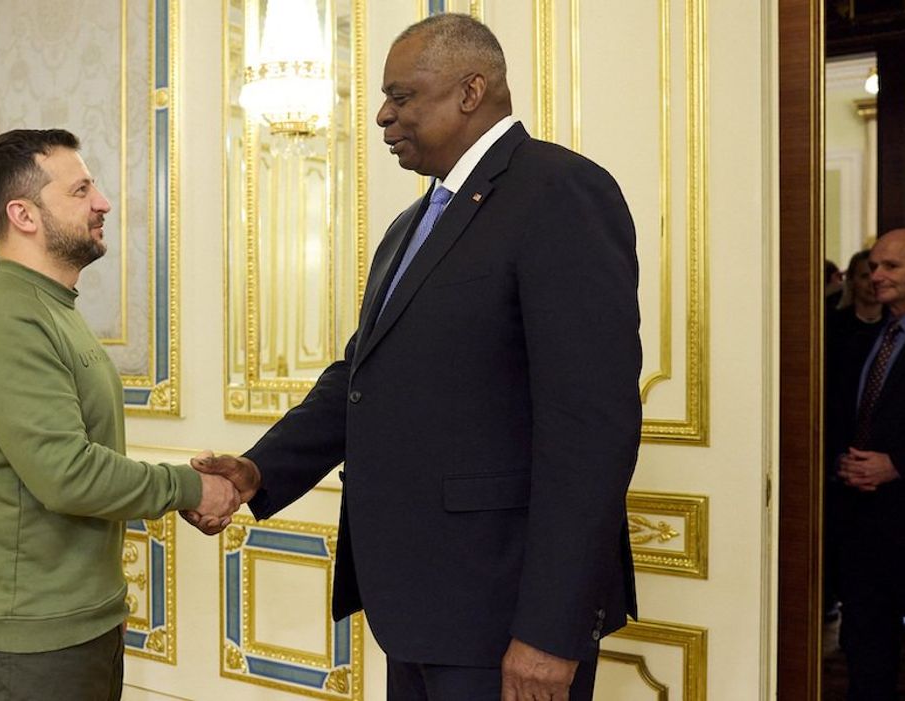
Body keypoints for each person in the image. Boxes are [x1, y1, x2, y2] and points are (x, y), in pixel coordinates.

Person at [188, 14, 640, 701]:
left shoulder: (557, 191)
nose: (381, 115)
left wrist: (552, 628)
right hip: (418, 607)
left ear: (469, 91)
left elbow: (591, 428)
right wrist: (260, 468)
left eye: (402, 97)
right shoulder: (412, 225)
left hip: (504, 611)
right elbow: (360, 377)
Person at [0, 129, 240, 701]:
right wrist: (189, 488)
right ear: (24, 215)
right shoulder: (6, 319)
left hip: (76, 622)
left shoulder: (53, 308)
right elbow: (68, 473)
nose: (102, 202)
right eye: (81, 190)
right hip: (30, 638)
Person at [826, 229, 905, 699]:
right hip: (860, 532)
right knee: (866, 658)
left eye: (891, 266)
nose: (876, 275)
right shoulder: (862, 339)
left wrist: (898, 465)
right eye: (874, 266)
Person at [823, 248, 884, 625]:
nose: (874, 282)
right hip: (839, 449)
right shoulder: (833, 326)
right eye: (865, 274)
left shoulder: (895, 329)